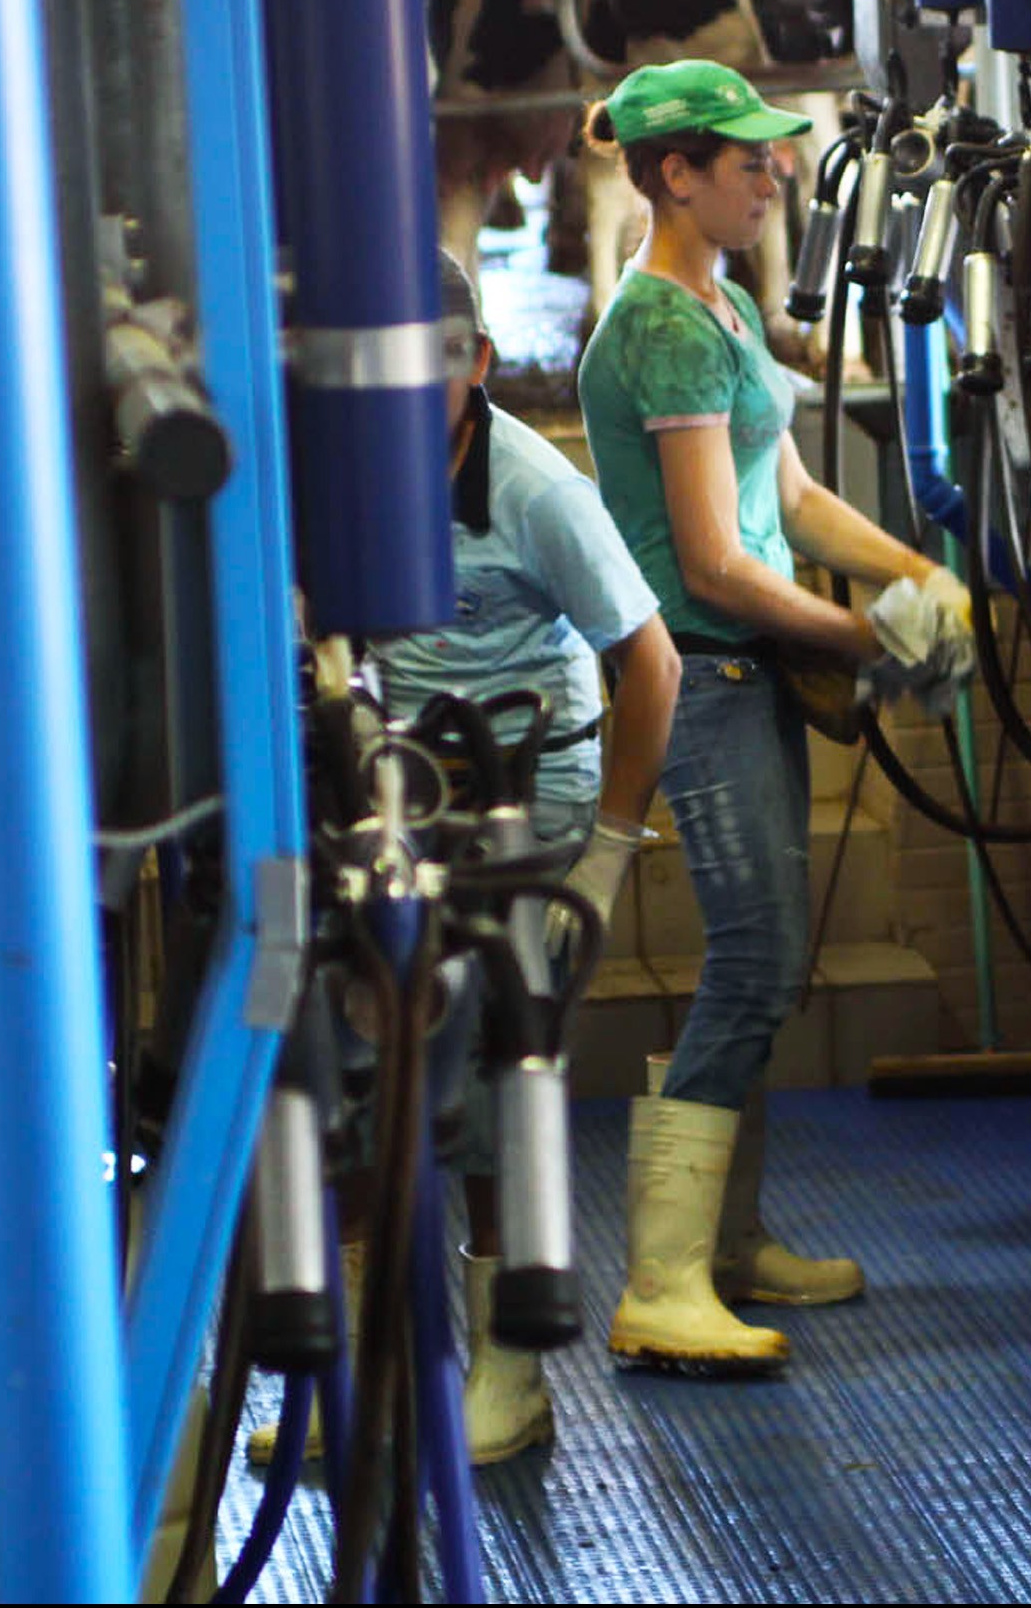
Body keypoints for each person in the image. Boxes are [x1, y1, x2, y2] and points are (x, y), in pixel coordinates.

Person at [574, 58, 972, 1370]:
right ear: (674, 173)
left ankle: (726, 1246)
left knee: (766, 955)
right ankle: (664, 1278)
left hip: (748, 670)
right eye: (747, 159)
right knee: (752, 956)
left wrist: (913, 572)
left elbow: (789, 501)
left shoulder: (725, 306)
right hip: (704, 669)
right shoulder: (661, 329)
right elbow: (714, 563)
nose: (774, 172)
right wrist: (867, 635)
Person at [266, 251, 680, 1467]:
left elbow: (649, 663)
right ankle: (352, 1367)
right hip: (390, 772)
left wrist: (605, 851)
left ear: (480, 366)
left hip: (527, 788)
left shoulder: (536, 492)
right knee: (350, 1070)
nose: (408, 389)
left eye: (438, 360)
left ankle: (510, 1373)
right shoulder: (336, 470)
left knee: (501, 1075)